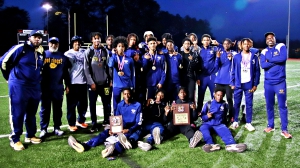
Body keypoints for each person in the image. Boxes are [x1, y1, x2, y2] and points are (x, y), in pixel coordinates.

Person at [0, 30, 45, 150]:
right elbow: (3, 61)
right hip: (19, 85)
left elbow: (40, 69)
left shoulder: (41, 52)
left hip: (34, 86)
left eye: (39, 38)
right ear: (30, 37)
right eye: (35, 37)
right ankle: (15, 139)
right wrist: (8, 78)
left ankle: (30, 135)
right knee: (18, 112)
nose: (37, 39)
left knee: (31, 112)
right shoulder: (21, 48)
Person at [68, 88, 142, 158]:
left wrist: (129, 130)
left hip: (131, 129)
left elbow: (139, 123)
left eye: (128, 94)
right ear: (122, 95)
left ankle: (114, 151)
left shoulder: (137, 105)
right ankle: (85, 145)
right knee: (105, 133)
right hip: (121, 127)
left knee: (123, 139)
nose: (127, 96)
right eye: (125, 94)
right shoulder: (120, 105)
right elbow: (116, 119)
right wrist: (113, 129)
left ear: (131, 94)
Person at [260, 32, 292, 139]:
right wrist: (275, 61)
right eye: (268, 38)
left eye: (271, 38)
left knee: (282, 106)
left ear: (274, 38)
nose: (270, 39)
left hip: (280, 82)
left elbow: (283, 58)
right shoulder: (264, 51)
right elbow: (263, 65)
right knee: (269, 106)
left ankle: (284, 129)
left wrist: (270, 60)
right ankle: (271, 125)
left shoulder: (281, 46)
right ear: (266, 41)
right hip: (268, 83)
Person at [39, 37, 70, 138]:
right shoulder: (43, 55)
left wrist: (68, 85)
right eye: (52, 43)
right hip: (45, 87)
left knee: (57, 109)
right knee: (45, 109)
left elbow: (66, 73)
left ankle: (57, 127)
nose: (54, 45)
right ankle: (43, 129)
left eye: (56, 43)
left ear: (58, 44)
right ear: (48, 44)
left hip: (58, 87)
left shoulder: (63, 57)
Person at [200, 88, 247, 153]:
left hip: (219, 124)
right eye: (218, 95)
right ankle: (210, 145)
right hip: (207, 124)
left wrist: (232, 122)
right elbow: (202, 117)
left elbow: (228, 115)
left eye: (221, 95)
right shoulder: (208, 103)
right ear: (214, 94)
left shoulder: (225, 104)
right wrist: (207, 116)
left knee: (226, 132)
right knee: (204, 131)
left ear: (223, 96)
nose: (219, 97)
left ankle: (231, 145)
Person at [230, 38, 260, 131]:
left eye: (248, 44)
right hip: (238, 84)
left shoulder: (254, 57)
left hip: (249, 84)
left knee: (249, 104)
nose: (246, 45)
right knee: (237, 103)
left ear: (250, 45)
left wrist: (255, 85)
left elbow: (257, 72)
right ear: (241, 45)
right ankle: (235, 121)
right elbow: (233, 71)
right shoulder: (236, 57)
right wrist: (232, 82)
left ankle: (248, 122)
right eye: (244, 44)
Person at [84, 32, 112, 132]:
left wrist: (110, 79)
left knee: (107, 103)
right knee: (92, 104)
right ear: (92, 40)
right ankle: (94, 123)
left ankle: (106, 121)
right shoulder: (88, 52)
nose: (97, 40)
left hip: (105, 83)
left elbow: (109, 67)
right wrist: (91, 82)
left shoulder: (105, 51)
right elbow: (86, 69)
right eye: (95, 39)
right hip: (93, 84)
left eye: (98, 38)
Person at [64, 35, 88, 132]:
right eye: (75, 42)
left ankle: (80, 120)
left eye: (79, 42)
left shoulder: (84, 52)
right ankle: (71, 123)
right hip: (72, 82)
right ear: (72, 43)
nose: (77, 44)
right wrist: (67, 84)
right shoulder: (67, 54)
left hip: (83, 82)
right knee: (71, 105)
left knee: (83, 104)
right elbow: (65, 70)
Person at [108, 36, 135, 112]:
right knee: (116, 103)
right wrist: (113, 55)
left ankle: (126, 118)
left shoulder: (129, 59)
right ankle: (117, 119)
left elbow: (133, 74)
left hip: (127, 85)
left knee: (127, 103)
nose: (121, 48)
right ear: (116, 47)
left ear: (125, 47)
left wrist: (133, 86)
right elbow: (110, 65)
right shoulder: (113, 58)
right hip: (117, 85)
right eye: (119, 46)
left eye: (123, 46)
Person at [214, 38, 237, 124]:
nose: (226, 45)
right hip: (219, 80)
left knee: (229, 99)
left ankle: (231, 116)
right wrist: (217, 58)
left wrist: (232, 60)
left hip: (229, 82)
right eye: (224, 44)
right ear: (222, 45)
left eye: (228, 44)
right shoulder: (220, 53)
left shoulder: (234, 54)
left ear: (231, 45)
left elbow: (235, 65)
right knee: (216, 99)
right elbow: (216, 67)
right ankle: (217, 115)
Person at [197, 34, 220, 111]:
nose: (206, 41)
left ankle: (215, 110)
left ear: (210, 41)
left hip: (212, 76)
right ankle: (199, 111)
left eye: (208, 40)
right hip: (202, 76)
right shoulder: (199, 50)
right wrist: (197, 77)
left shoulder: (214, 49)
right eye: (204, 40)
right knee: (200, 95)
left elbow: (223, 50)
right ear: (202, 41)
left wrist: (218, 44)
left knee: (214, 95)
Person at [180, 38, 201, 102]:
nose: (187, 45)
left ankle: (192, 110)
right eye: (185, 44)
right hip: (182, 77)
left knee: (191, 96)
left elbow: (197, 67)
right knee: (182, 95)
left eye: (188, 44)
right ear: (183, 45)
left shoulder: (194, 54)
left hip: (191, 77)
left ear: (190, 45)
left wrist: (192, 60)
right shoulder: (179, 54)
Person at [125, 33, 143, 102]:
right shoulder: (124, 49)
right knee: (127, 93)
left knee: (137, 93)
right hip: (127, 75)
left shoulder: (138, 51)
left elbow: (142, 64)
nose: (133, 41)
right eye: (131, 39)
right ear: (128, 40)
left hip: (136, 74)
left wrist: (137, 60)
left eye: (134, 40)